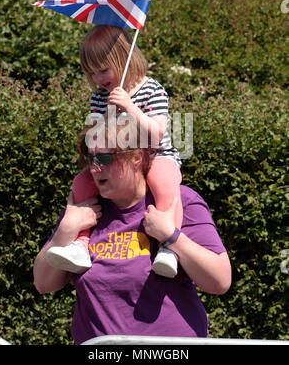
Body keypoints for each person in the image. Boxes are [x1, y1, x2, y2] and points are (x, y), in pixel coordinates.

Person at [33, 121, 231, 345]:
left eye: (104, 159)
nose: (95, 168)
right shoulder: (84, 212)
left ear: (136, 157)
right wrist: (66, 230)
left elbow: (220, 280)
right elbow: (43, 283)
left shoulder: (181, 201)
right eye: (89, 159)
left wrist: (171, 236)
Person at [46, 25, 183, 278]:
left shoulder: (153, 89)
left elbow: (157, 135)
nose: (98, 79)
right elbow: (98, 137)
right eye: (92, 73)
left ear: (123, 58)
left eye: (103, 70)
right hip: (115, 161)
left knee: (163, 182)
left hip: (155, 156)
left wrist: (130, 108)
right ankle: (81, 244)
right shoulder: (100, 97)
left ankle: (168, 247)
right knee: (81, 182)